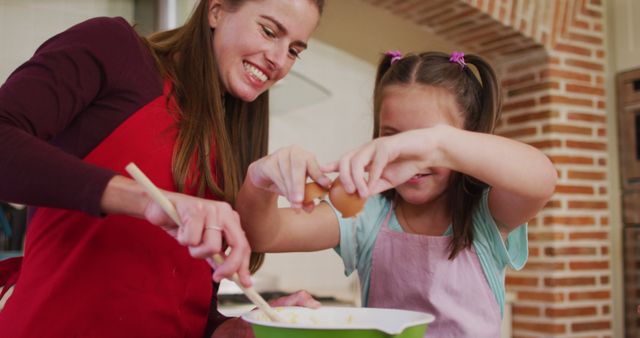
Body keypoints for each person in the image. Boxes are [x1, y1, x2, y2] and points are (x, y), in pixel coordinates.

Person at [0, 0, 324, 337]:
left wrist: (234, 329)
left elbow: (183, 303)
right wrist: (148, 200)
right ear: (215, 10)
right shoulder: (115, 49)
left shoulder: (231, 141)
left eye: (294, 51)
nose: (279, 60)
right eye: (269, 31)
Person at [237, 51, 558, 337]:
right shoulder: (369, 215)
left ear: (462, 141)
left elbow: (542, 179)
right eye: (393, 137)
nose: (407, 156)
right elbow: (264, 234)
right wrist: (259, 180)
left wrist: (435, 145)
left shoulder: (487, 214)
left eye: (420, 141)